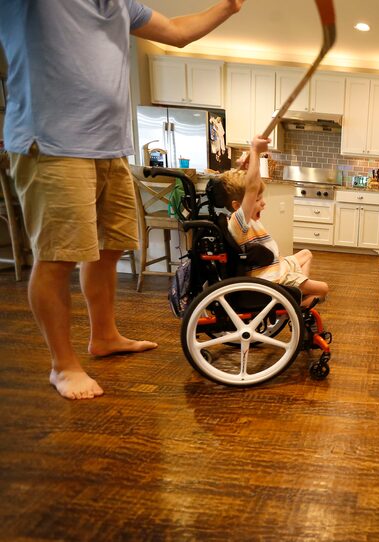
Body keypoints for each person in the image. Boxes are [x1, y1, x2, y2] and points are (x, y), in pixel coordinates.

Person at [0, 0, 246, 400]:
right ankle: (62, 366)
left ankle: (104, 336)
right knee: (57, 256)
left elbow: (178, 32)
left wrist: (229, 7)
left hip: (110, 148)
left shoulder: (120, 4)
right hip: (53, 145)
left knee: (110, 248)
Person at [219, 137, 329, 308]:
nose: (263, 203)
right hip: (270, 277)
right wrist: (255, 151)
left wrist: (249, 165)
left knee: (306, 254)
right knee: (323, 289)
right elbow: (252, 188)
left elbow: (251, 186)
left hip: (277, 266)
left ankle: (297, 293)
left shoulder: (244, 221)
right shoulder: (238, 222)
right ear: (237, 206)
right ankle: (296, 303)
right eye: (257, 200)